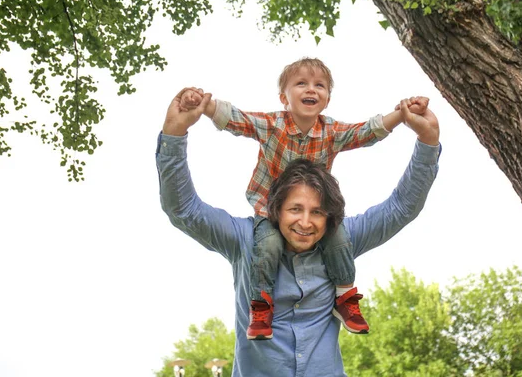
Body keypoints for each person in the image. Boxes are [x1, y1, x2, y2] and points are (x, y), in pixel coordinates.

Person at [157, 87, 440, 376]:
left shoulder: (342, 240)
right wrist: (174, 135)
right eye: (295, 210)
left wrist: (428, 141)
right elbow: (183, 210)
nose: (305, 222)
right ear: (276, 210)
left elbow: (402, 207)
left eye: (317, 212)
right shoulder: (246, 240)